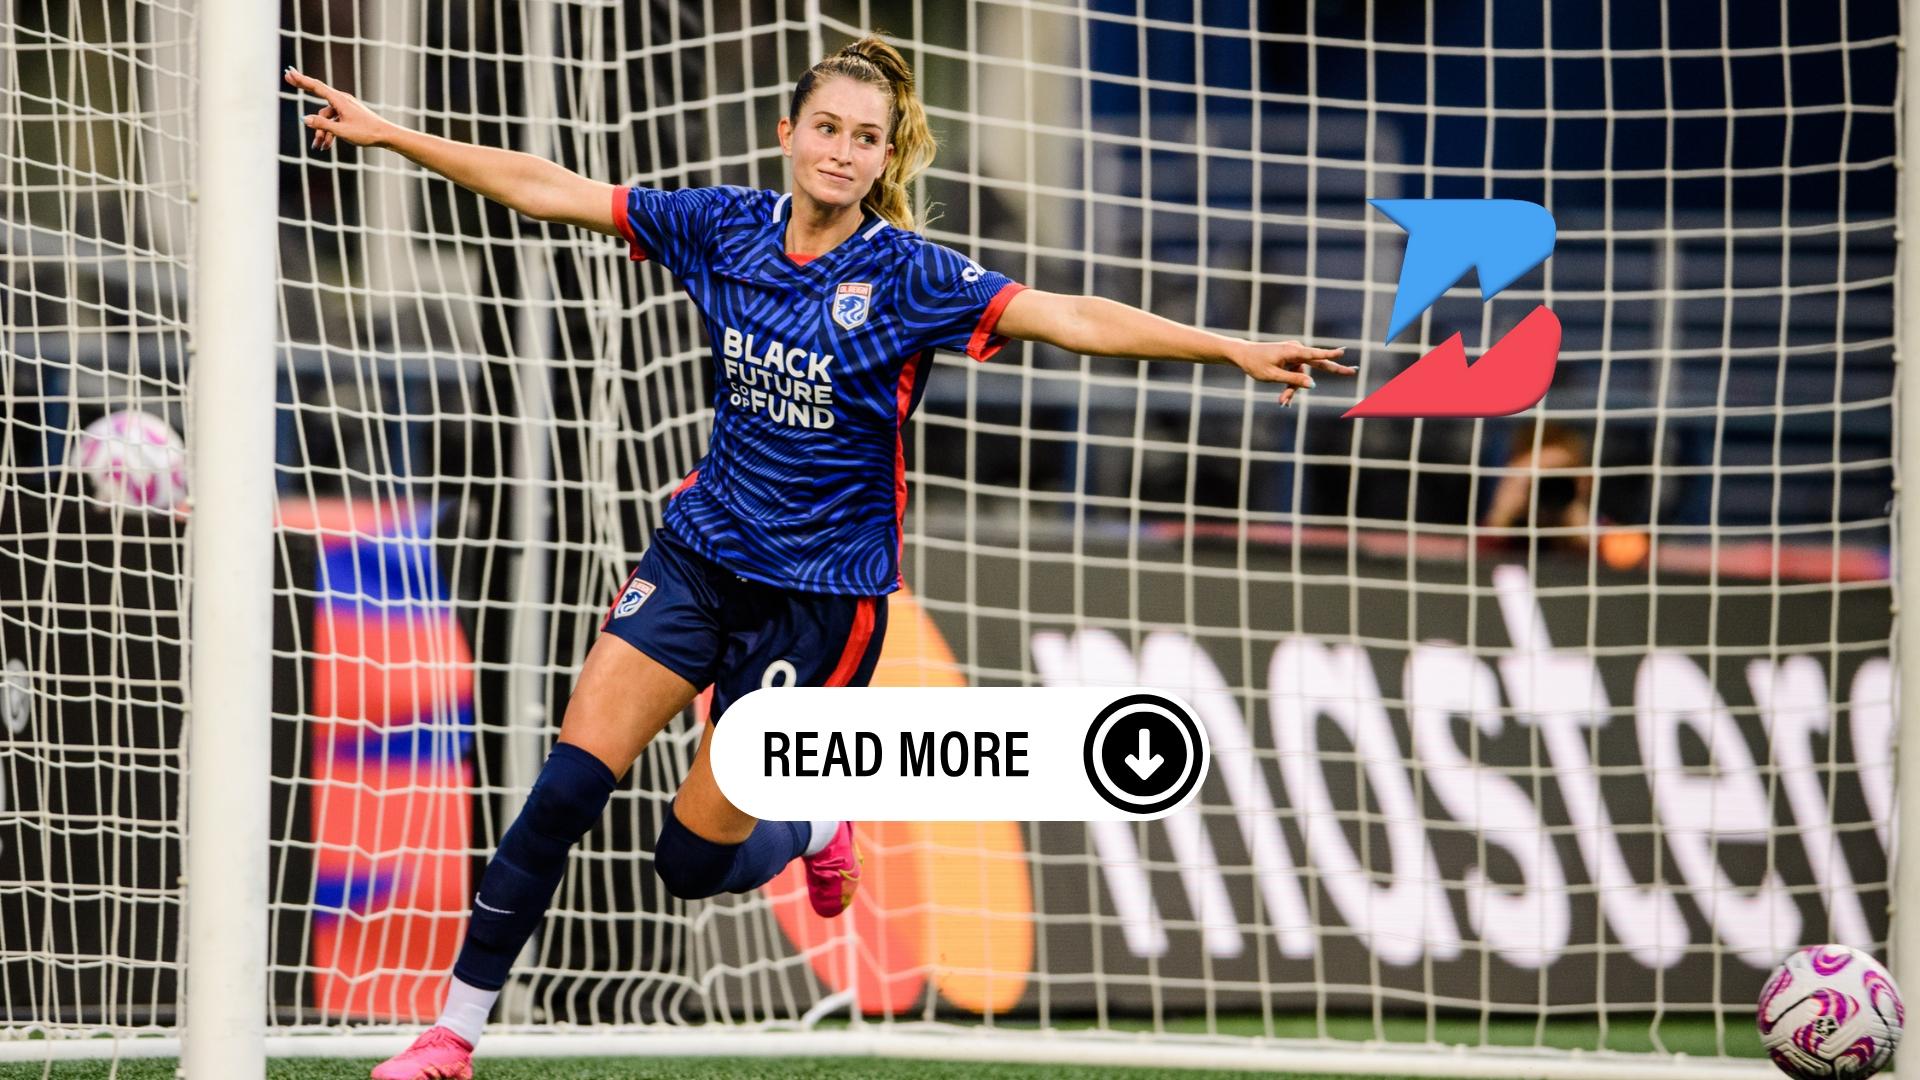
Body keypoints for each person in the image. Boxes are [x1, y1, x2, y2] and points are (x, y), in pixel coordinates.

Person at [287, 34, 1351, 1080]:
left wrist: (1227, 347)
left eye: (866, 138)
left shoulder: (909, 274)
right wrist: (393, 135)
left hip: (820, 606)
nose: (842, 151)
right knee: (564, 789)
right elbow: (550, 188)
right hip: (699, 559)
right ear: (787, 132)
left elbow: (1067, 315)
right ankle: (450, 1038)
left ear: (886, 158)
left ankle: (811, 818)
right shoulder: (723, 227)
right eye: (827, 128)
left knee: (687, 863)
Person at [1479, 419, 1594, 551]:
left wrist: (1586, 538)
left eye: (1560, 480)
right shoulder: (1506, 536)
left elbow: (1612, 556)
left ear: (1584, 480)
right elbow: (1469, 555)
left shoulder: (1601, 533)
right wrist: (1500, 519)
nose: (1551, 489)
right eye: (1538, 478)